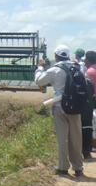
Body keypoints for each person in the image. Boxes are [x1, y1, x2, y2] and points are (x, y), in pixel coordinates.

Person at [35, 44, 84, 177]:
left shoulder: (54, 70)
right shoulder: (78, 67)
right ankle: (78, 167)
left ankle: (63, 167)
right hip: (75, 107)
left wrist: (40, 67)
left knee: (63, 139)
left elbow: (39, 81)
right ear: (68, 55)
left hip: (59, 106)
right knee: (76, 138)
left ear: (56, 56)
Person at [84, 51, 96, 157]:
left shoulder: (89, 72)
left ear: (88, 60)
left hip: (92, 101)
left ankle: (88, 148)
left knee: (88, 125)